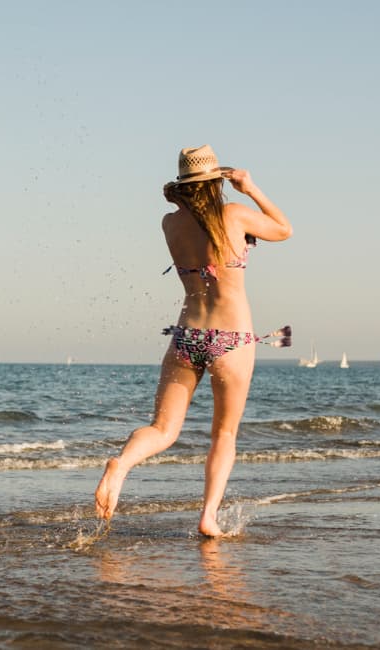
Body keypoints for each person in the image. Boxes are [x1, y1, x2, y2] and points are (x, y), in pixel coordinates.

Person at [94, 145, 292, 537]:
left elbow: (184, 211)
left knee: (163, 429)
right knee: (224, 432)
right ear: (217, 182)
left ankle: (121, 464)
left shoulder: (170, 224)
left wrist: (178, 195)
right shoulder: (234, 215)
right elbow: (283, 229)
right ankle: (208, 517)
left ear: (183, 186)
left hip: (186, 336)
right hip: (232, 339)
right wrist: (250, 187)